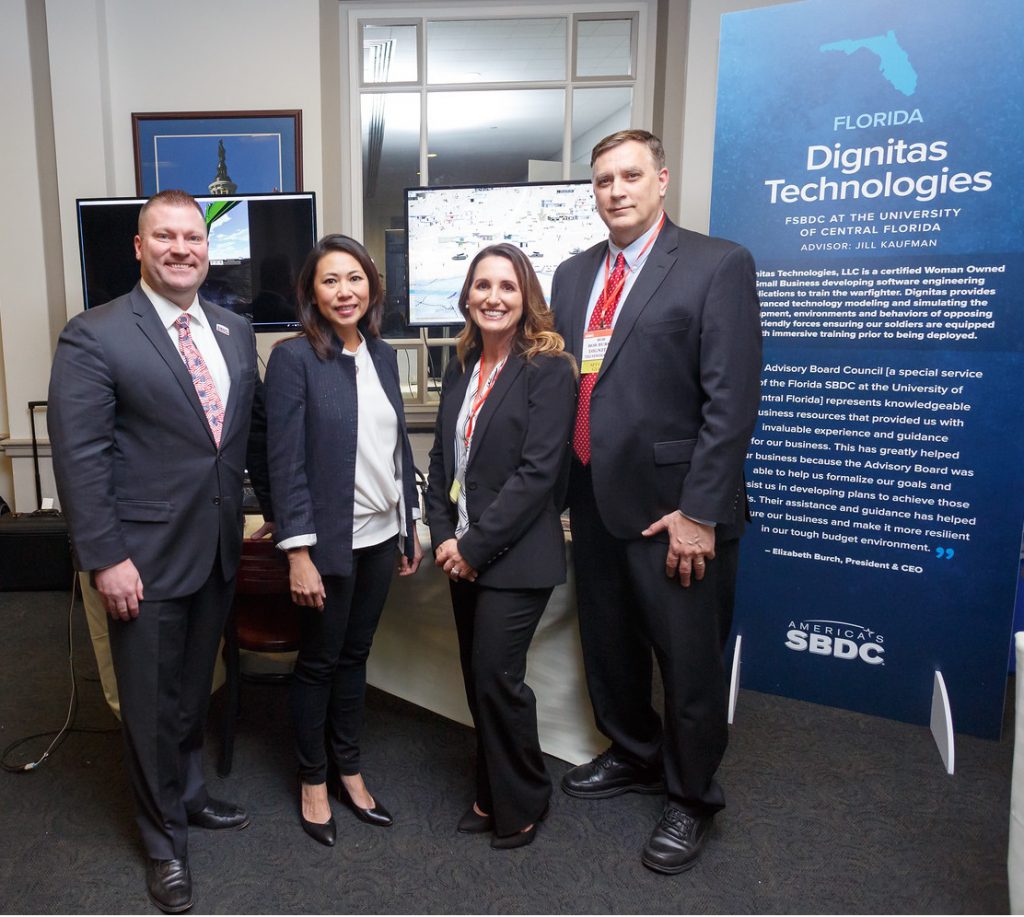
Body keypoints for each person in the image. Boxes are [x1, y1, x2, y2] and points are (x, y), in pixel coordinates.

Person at [47, 188, 273, 913]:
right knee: (147, 705)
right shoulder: (95, 333)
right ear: (138, 248)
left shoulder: (235, 331)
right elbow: (79, 456)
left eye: (193, 239)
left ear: (209, 252)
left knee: (187, 693)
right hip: (138, 560)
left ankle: (190, 792)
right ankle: (163, 841)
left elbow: (245, 438)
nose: (182, 248)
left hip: (214, 549)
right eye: (165, 237)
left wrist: (277, 514)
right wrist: (105, 556)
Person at [550, 129, 762, 873]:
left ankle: (691, 794)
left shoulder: (716, 264)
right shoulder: (573, 276)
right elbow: (574, 387)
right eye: (603, 179)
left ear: (662, 180)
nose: (616, 190)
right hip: (598, 500)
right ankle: (634, 754)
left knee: (689, 662)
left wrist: (700, 512)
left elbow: (731, 403)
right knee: (609, 648)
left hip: (679, 512)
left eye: (630, 175)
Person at [264, 234, 423, 847]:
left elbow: (395, 449)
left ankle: (349, 770)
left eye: (354, 278)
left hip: (382, 537)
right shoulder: (294, 359)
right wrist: (298, 554)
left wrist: (408, 523)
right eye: (330, 280)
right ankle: (311, 780)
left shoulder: (382, 354)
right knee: (320, 662)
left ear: (372, 286)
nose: (345, 291)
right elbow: (286, 463)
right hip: (327, 545)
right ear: (312, 292)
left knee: (356, 658)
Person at [426, 243, 577, 849]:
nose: (493, 297)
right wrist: (442, 536)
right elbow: (442, 460)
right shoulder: (462, 364)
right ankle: (491, 791)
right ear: (467, 296)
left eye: (507, 287)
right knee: (477, 676)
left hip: (517, 557)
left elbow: (538, 475)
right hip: (464, 552)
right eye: (482, 286)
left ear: (526, 298)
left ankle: (524, 796)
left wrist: (471, 546)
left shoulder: (548, 369)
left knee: (497, 677)